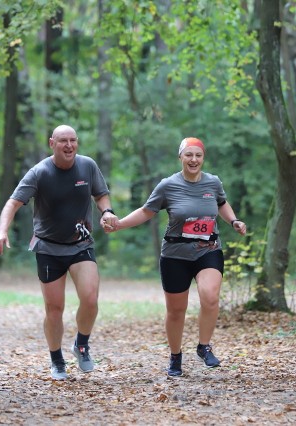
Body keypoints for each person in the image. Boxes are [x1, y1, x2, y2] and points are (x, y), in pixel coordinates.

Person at [103, 137, 246, 377]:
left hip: (207, 249)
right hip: (175, 254)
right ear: (180, 157)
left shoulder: (213, 182)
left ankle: (204, 346)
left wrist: (233, 220)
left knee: (210, 296)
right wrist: (119, 225)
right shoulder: (168, 185)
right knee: (176, 311)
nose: (193, 160)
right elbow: (147, 211)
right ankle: (175, 356)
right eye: (188, 155)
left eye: (198, 155)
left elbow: (222, 203)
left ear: (203, 158)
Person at [0, 124, 119, 380]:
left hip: (81, 243)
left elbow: (101, 194)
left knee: (91, 299)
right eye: (63, 141)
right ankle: (56, 360)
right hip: (49, 247)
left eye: (73, 140)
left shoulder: (88, 166)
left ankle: (81, 345)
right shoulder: (39, 173)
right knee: (54, 308)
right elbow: (13, 203)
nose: (69, 145)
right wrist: (1, 231)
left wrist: (106, 212)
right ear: (52, 143)